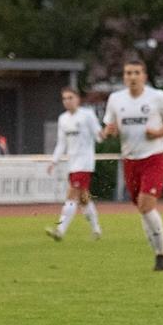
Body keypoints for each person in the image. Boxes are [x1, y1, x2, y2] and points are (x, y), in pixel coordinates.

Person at [102, 59, 163, 270]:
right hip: (130, 160)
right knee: (143, 209)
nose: (132, 77)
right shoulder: (116, 99)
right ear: (124, 77)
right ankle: (159, 254)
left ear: (144, 76)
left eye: (137, 72)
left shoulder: (157, 97)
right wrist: (109, 132)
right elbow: (111, 127)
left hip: (153, 158)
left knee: (146, 204)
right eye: (128, 73)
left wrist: (158, 132)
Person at [46, 86, 104, 241]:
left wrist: (106, 132)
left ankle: (60, 230)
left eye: (70, 97)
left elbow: (99, 136)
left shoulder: (87, 115)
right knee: (84, 199)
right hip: (73, 164)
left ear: (78, 99)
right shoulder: (63, 119)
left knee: (71, 195)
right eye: (64, 98)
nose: (67, 101)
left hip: (84, 163)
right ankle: (96, 230)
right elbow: (61, 143)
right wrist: (54, 161)